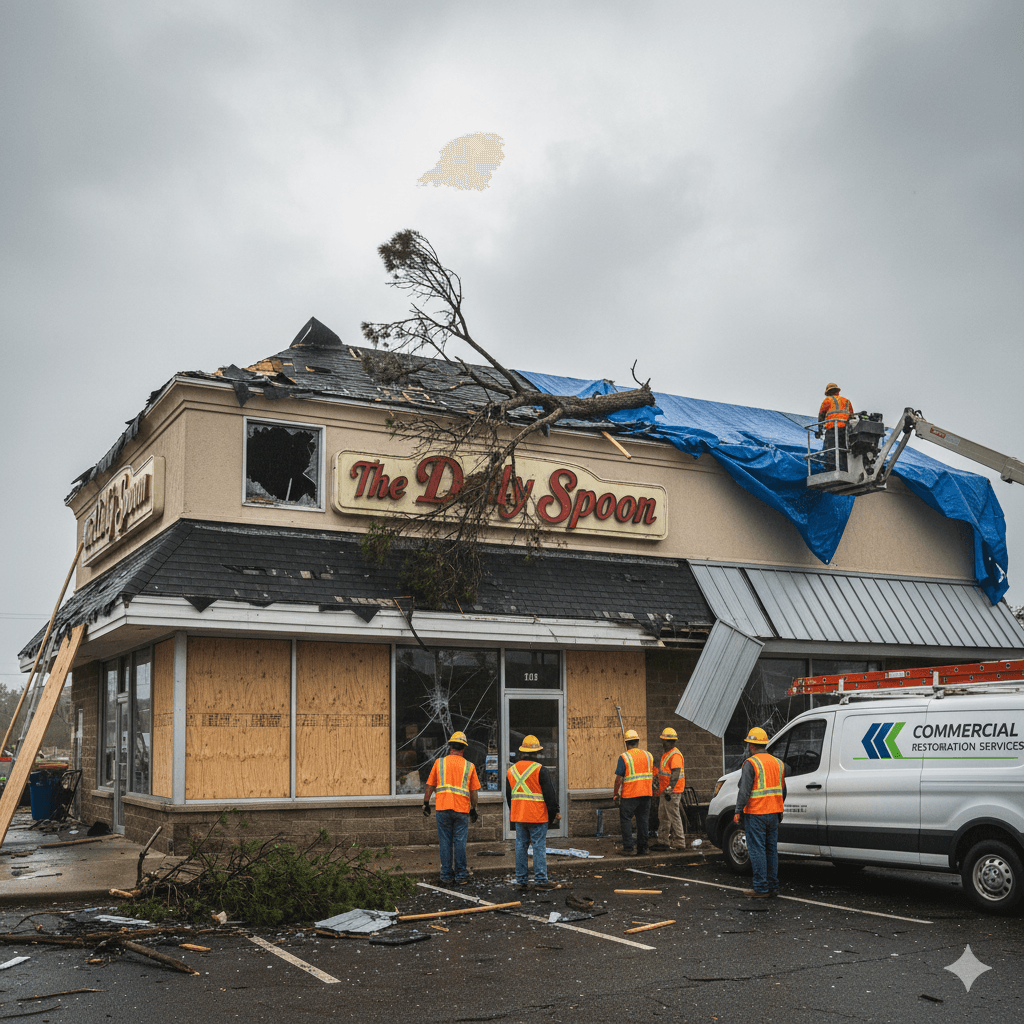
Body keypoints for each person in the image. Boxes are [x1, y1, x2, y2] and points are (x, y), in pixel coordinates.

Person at [732, 727, 787, 898]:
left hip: (756, 813)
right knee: (771, 850)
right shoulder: (778, 763)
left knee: (757, 850)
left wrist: (738, 810)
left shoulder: (751, 763)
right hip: (774, 813)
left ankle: (761, 888)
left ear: (752, 746)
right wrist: (778, 807)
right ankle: (773, 886)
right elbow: (783, 790)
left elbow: (744, 790)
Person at [423, 730, 480, 885]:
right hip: (461, 810)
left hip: (442, 808)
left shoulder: (439, 763)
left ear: (450, 747)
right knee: (460, 842)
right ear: (464, 748)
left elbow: (430, 785)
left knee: (445, 842)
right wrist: (474, 809)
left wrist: (426, 803)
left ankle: (446, 875)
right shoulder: (469, 766)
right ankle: (461, 875)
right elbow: (474, 793)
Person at [506, 735, 561, 891]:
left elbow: (509, 796)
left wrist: (514, 812)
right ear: (537, 752)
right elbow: (550, 795)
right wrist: (554, 813)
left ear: (522, 751)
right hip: (537, 816)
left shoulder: (511, 770)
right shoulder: (540, 769)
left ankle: (521, 880)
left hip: (519, 816)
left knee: (520, 846)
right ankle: (541, 880)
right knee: (538, 847)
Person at [612, 729, 654, 856]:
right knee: (643, 821)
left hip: (630, 795)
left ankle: (629, 848)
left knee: (626, 819)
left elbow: (619, 778)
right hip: (646, 794)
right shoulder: (648, 755)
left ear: (626, 743)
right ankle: (643, 849)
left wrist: (616, 793)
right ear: (638, 741)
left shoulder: (624, 757)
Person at [656, 727, 687, 851]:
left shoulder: (675, 755)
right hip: (666, 791)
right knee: (663, 816)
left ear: (670, 741)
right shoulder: (667, 754)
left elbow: (675, 774)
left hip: (672, 792)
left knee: (674, 816)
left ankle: (680, 842)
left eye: (664, 741)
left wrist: (669, 789)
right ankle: (663, 841)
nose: (662, 743)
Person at [817, 382, 853, 472]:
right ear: (837, 391)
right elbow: (852, 416)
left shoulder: (828, 400)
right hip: (845, 431)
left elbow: (821, 415)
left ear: (828, 392)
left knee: (831, 449)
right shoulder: (846, 401)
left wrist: (819, 429)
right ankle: (844, 469)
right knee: (843, 449)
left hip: (832, 428)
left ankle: (832, 468)